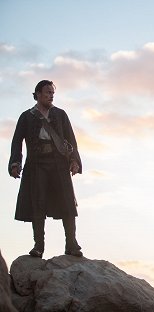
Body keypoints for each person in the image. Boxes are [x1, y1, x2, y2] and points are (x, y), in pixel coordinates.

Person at [8, 80, 83, 258]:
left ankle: (71, 244)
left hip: (59, 163)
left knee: (67, 202)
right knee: (38, 203)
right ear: (38, 94)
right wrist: (15, 163)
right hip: (36, 163)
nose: (50, 96)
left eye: (52, 93)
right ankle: (39, 246)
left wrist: (74, 161)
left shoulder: (60, 114)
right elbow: (17, 142)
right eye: (47, 92)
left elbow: (71, 139)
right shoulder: (26, 116)